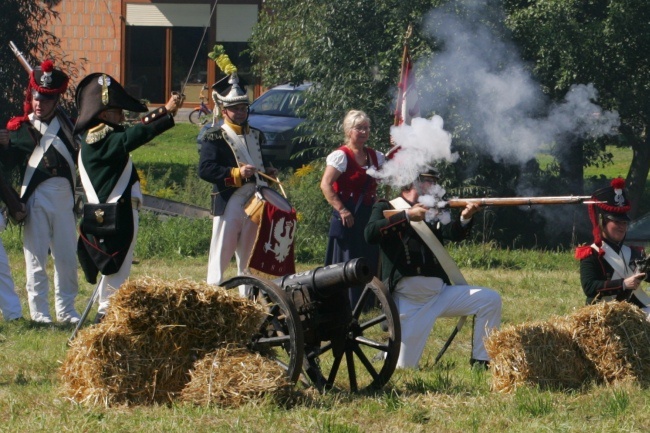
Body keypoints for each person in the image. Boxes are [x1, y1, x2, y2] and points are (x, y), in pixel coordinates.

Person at [364, 170, 502, 369]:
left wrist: (465, 217)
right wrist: (407, 215)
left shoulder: (433, 208)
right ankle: (388, 355)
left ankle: (481, 361)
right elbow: (370, 234)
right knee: (404, 367)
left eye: (434, 181)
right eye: (428, 180)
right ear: (413, 181)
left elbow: (450, 233)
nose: (434, 185)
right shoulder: (387, 206)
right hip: (408, 299)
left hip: (439, 293)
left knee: (489, 299)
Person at [73, 73, 182, 322]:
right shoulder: (97, 139)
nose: (121, 116)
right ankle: (105, 320)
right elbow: (132, 137)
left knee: (118, 273)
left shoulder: (104, 136)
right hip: (115, 215)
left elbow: (128, 135)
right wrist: (164, 111)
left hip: (117, 214)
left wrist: (164, 113)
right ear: (102, 114)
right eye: (116, 110)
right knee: (117, 274)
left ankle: (106, 317)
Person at [0, 60, 80, 324]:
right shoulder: (20, 128)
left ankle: (67, 309)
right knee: (35, 259)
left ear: (56, 100)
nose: (39, 104)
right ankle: (40, 312)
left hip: (65, 196)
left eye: (45, 100)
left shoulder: (69, 127)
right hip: (35, 198)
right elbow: (5, 165)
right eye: (36, 98)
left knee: (67, 258)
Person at [198, 66, 277, 294]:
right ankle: (213, 292)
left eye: (243, 108)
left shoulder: (256, 135)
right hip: (230, 197)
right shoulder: (214, 136)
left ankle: (249, 297)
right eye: (235, 109)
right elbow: (205, 169)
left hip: (256, 198)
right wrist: (235, 173)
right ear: (224, 110)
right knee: (222, 249)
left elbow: (261, 163)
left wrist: (268, 174)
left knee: (250, 253)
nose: (240, 112)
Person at [320, 110, 384, 308]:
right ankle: (346, 300)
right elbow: (326, 185)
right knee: (348, 259)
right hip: (348, 216)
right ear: (349, 131)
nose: (364, 132)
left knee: (369, 255)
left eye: (366, 128)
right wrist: (342, 210)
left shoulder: (375, 156)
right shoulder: (341, 156)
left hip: (368, 215)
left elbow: (388, 175)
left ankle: (368, 301)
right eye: (359, 128)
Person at [575, 177, 650, 313]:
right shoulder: (591, 253)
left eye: (624, 223)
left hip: (633, 310)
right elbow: (589, 287)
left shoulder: (634, 253)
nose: (622, 227)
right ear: (602, 222)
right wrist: (622, 284)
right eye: (616, 222)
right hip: (602, 312)